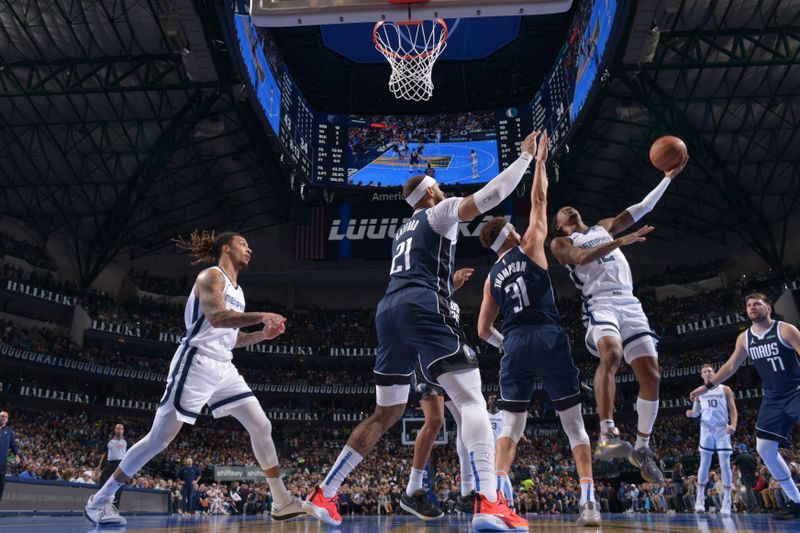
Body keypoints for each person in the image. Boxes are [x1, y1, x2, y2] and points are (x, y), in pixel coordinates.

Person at [303, 132, 541, 531]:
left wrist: (447, 286)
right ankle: (488, 500)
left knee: (387, 412)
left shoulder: (403, 231)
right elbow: (491, 196)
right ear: (432, 192)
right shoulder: (440, 211)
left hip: (389, 309)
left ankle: (325, 492)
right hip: (420, 305)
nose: (444, 188)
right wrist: (524, 159)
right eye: (439, 186)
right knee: (470, 400)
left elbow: (415, 274)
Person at [84, 231, 303, 526]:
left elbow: (231, 338)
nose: (249, 249)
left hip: (224, 367)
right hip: (196, 363)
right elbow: (216, 319)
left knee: (261, 424)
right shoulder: (211, 276)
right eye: (243, 244)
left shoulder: (238, 292)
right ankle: (101, 499)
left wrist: (262, 335)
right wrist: (262, 315)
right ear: (226, 248)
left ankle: (281, 500)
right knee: (158, 439)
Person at [477, 131, 600, 527]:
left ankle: (494, 493)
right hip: (546, 335)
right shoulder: (530, 243)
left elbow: (482, 331)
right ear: (510, 236)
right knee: (573, 424)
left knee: (511, 426)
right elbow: (540, 200)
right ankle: (588, 500)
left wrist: (507, 346)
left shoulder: (491, 276)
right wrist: (539, 161)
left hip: (514, 343)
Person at [550, 154, 689, 483]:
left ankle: (642, 446)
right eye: (562, 210)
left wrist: (668, 177)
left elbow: (642, 207)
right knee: (611, 353)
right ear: (559, 223)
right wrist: (618, 242)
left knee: (652, 375)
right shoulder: (562, 241)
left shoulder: (603, 225)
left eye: (571, 206)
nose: (568, 207)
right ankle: (607, 432)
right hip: (600, 304)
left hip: (629, 302)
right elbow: (581, 257)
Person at [690, 292, 800, 520]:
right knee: (765, 449)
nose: (752, 307)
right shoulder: (745, 338)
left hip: (796, 390)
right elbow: (731, 366)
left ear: (768, 308)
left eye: (757, 304)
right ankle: (796, 501)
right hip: (772, 397)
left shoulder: (785, 329)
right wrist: (708, 386)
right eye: (749, 305)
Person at [686, 364, 738, 514]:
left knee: (725, 464)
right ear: (702, 376)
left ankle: (727, 500)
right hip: (706, 429)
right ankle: (700, 499)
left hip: (722, 428)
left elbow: (733, 409)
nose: (708, 373)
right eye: (704, 372)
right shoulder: (698, 393)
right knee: (704, 463)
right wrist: (690, 413)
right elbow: (696, 413)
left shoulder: (725, 389)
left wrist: (733, 425)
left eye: (710, 371)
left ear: (714, 373)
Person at [97, 423, 127, 508]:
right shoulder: (109, 441)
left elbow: (129, 455)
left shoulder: (126, 442)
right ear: (115, 430)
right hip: (109, 464)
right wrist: (99, 466)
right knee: (102, 483)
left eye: (121, 429)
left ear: (123, 431)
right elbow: (105, 454)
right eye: (117, 428)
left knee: (118, 486)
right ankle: (99, 505)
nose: (119, 430)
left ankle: (114, 509)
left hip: (121, 465)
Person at [0, 411, 19, 503]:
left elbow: (13, 447)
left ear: (7, 420)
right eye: (2, 416)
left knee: (0, 487)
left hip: (2, 465)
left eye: (6, 417)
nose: (3, 417)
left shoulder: (9, 431)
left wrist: (14, 457)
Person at [734, 443, 760, 512]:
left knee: (749, 491)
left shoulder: (739, 456)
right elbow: (757, 465)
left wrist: (734, 476)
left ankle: (755, 506)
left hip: (745, 475)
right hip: (753, 475)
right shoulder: (751, 456)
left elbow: (734, 468)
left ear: (740, 449)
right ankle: (753, 505)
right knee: (752, 490)